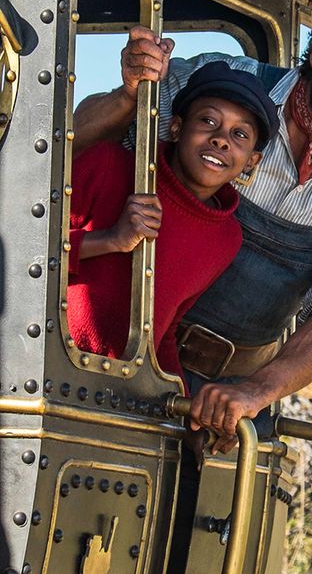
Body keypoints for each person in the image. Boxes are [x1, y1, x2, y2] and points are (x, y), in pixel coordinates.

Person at [73, 0, 312, 449]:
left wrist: (254, 393)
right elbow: (76, 146)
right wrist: (129, 93)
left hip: (231, 394)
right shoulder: (220, 81)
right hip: (115, 349)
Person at [65, 62, 280, 383]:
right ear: (177, 128)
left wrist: (179, 400)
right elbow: (29, 254)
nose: (221, 140)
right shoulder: (106, 164)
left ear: (251, 161)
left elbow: (164, 331)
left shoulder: (226, 237)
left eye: (239, 134)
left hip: (119, 391)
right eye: (208, 121)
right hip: (50, 367)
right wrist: (111, 239)